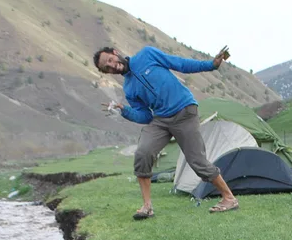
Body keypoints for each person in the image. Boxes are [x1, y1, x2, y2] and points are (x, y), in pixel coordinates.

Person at [94, 45, 239, 219]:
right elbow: (145, 116)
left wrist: (211, 65)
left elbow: (179, 64)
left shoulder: (146, 55)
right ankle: (147, 206)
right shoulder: (129, 89)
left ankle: (229, 198)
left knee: (197, 161)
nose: (112, 66)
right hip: (161, 120)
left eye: (110, 61)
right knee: (143, 153)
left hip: (184, 111)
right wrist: (124, 111)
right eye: (107, 68)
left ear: (115, 53)